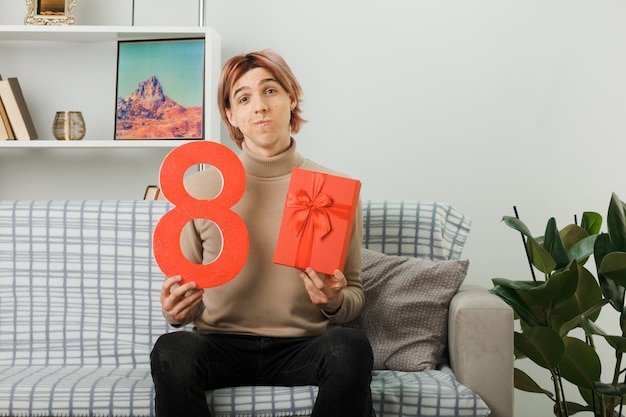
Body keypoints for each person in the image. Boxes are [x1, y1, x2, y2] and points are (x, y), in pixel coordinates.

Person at [150, 49, 374, 417]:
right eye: (243, 97)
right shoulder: (199, 188)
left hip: (303, 348)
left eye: (270, 91)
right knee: (171, 348)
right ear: (231, 115)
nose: (259, 107)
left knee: (350, 345)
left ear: (292, 97)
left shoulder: (334, 188)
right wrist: (175, 312)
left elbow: (353, 293)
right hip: (219, 346)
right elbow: (185, 290)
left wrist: (332, 302)